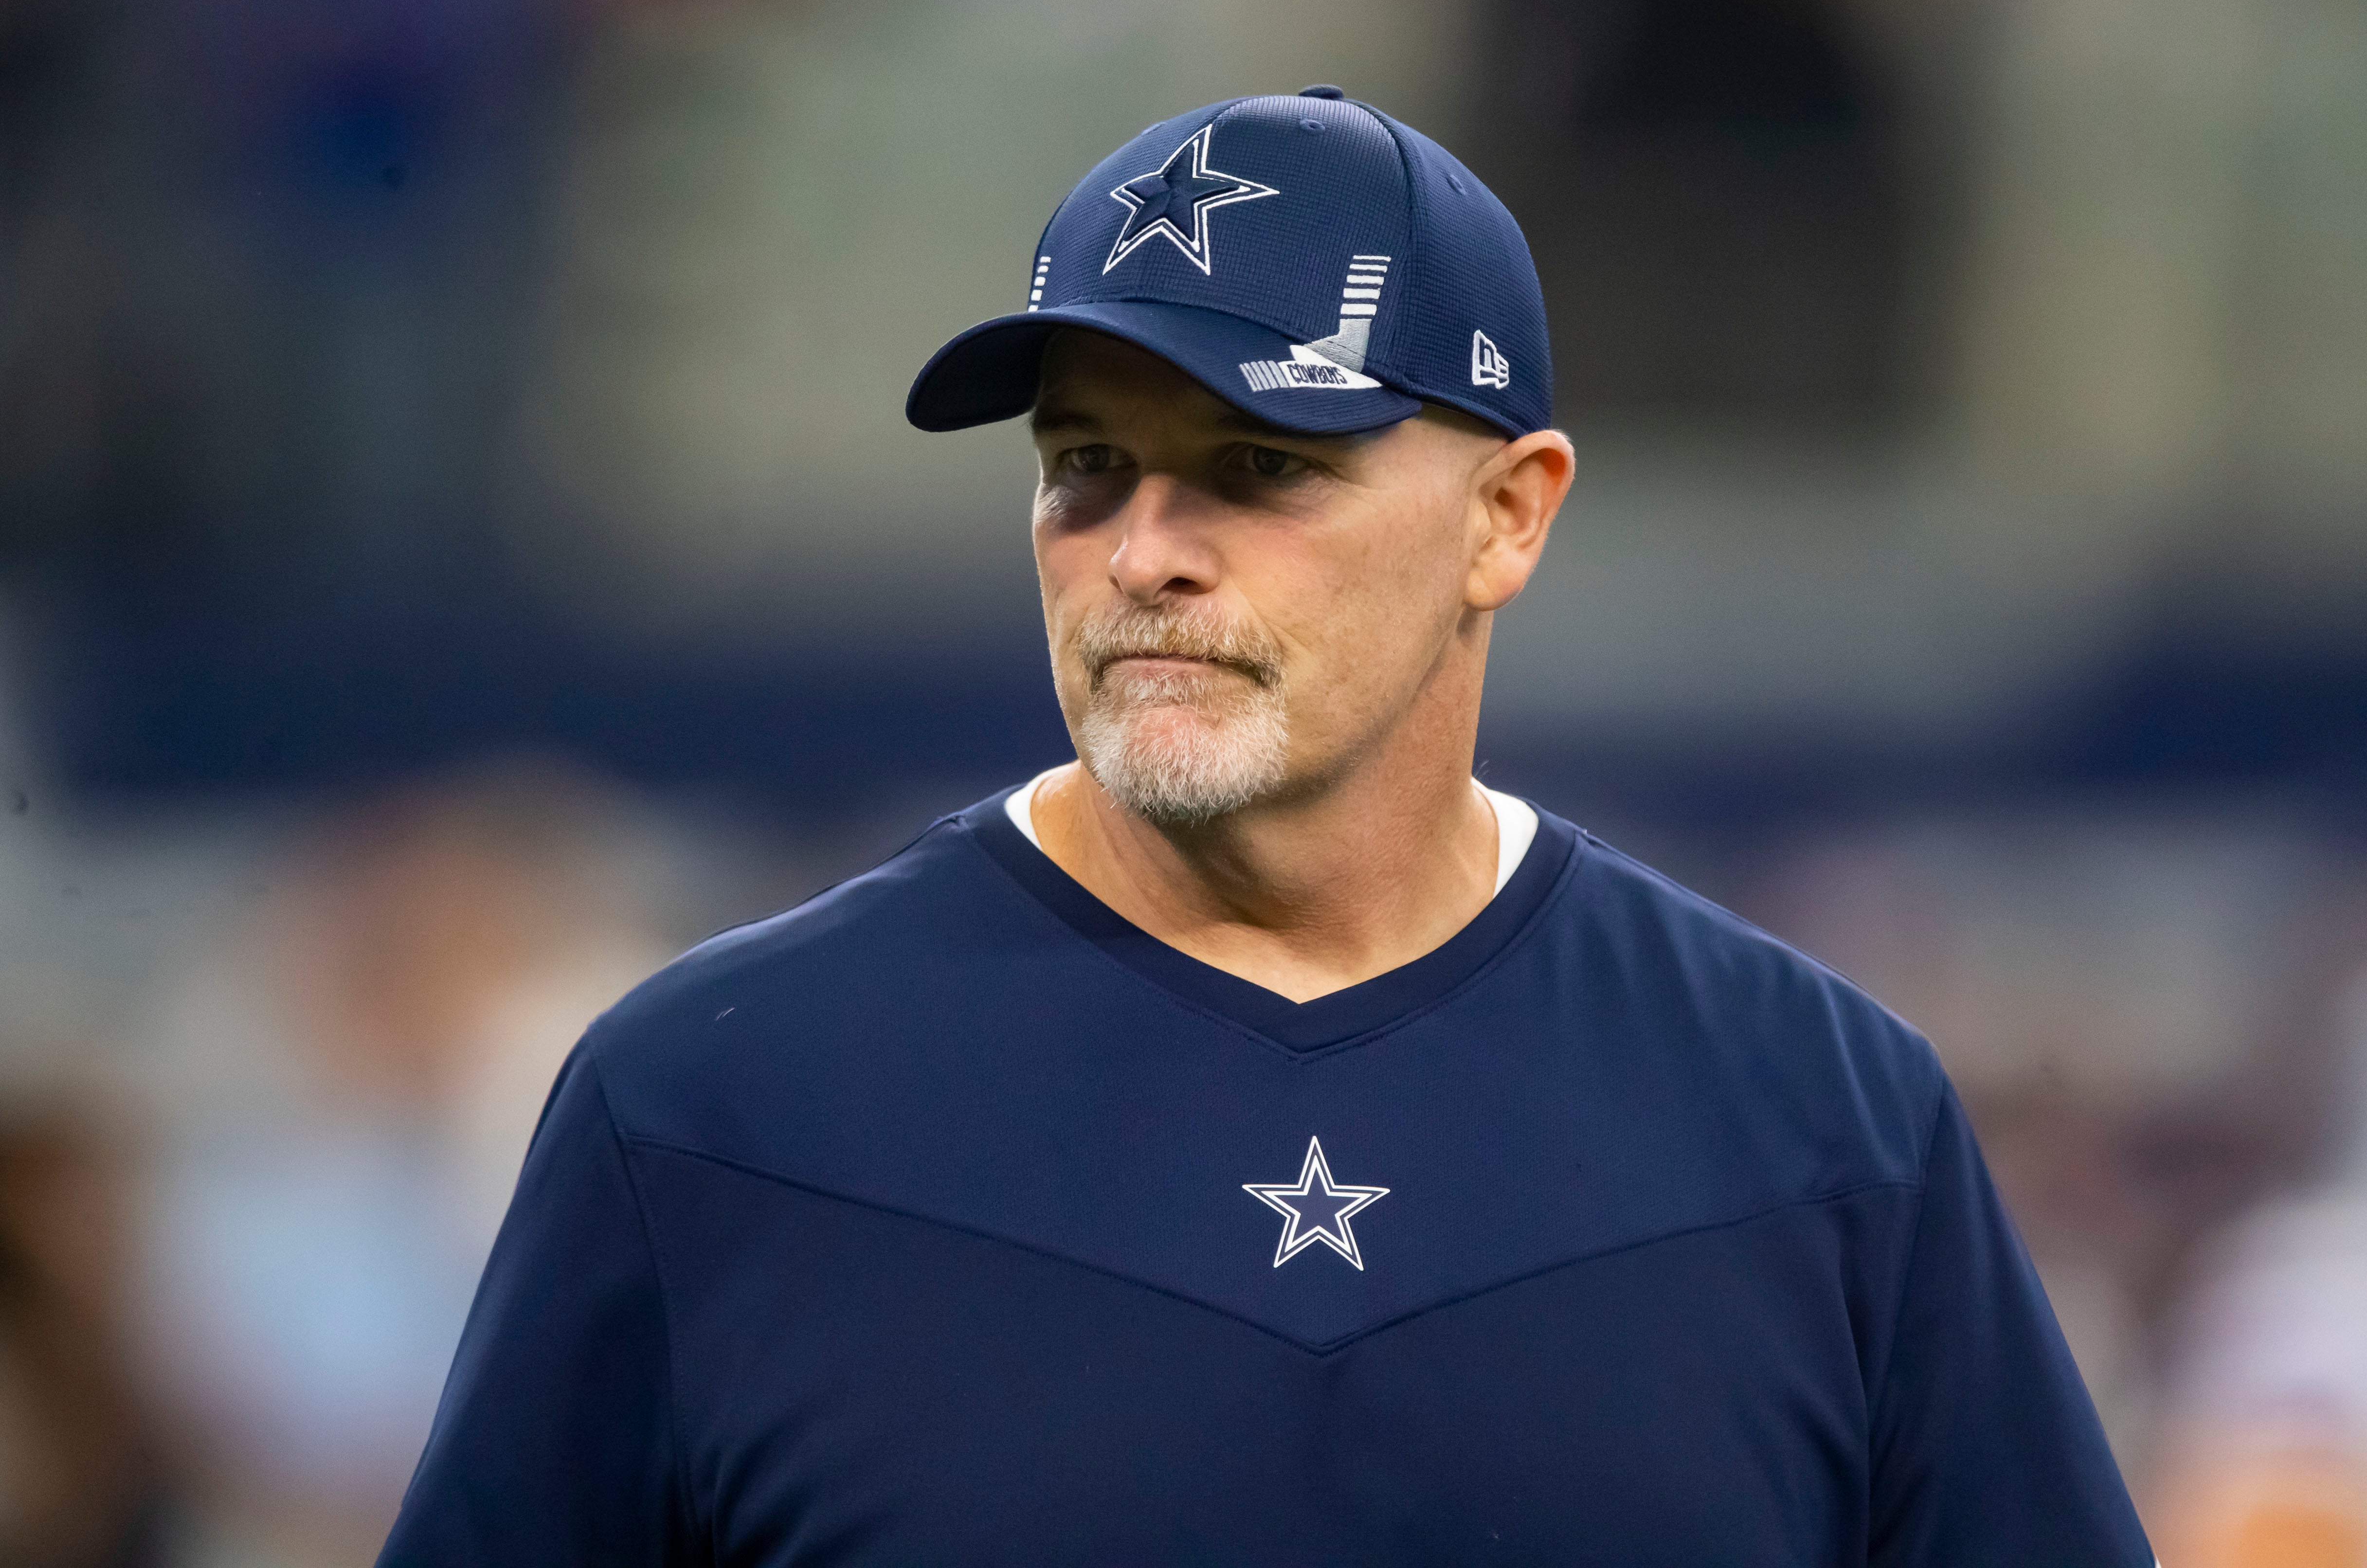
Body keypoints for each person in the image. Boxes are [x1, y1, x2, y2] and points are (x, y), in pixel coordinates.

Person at [377, 88, 2152, 1565]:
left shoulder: (1819, 1125)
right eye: (1083, 466)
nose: (1142, 548)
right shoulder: (708, 1106)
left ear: (1506, 519)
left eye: (1260, 465)